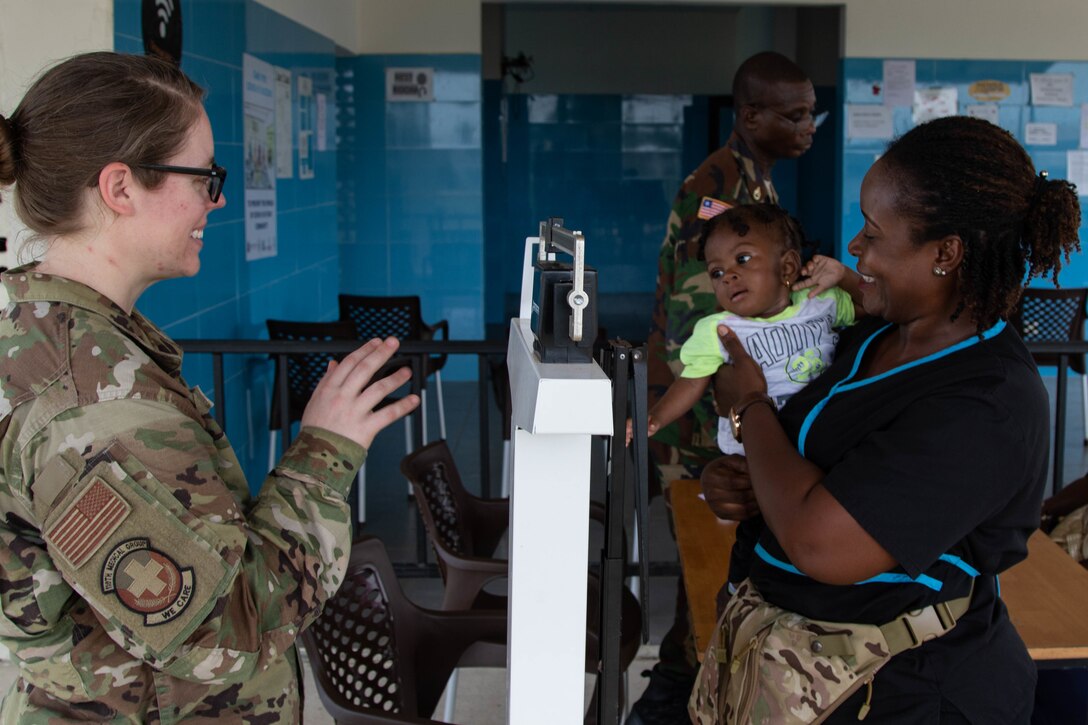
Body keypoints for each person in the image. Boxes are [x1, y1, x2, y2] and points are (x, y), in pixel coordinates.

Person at [0, 52, 420, 721]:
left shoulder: (36, 328)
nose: (216, 199)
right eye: (203, 176)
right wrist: (324, 452)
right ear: (120, 188)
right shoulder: (96, 406)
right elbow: (230, 629)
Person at [697, 115, 1080, 723]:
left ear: (945, 253)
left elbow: (823, 544)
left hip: (905, 694)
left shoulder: (988, 402)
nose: (854, 247)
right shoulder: (875, 335)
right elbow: (812, 467)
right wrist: (749, 483)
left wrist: (750, 408)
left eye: (873, 233)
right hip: (795, 671)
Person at [633, 50, 818, 725]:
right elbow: (704, 322)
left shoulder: (753, 184)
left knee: (717, 564)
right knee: (705, 561)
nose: (809, 126)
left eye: (810, 113)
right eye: (794, 114)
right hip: (701, 412)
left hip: (733, 408)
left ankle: (686, 684)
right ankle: (673, 697)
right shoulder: (717, 186)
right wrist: (740, 417)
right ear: (751, 116)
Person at [639, 204, 858, 454]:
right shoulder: (717, 329)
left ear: (787, 267)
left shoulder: (821, 300)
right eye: (716, 272)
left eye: (742, 259)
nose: (727, 277)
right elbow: (690, 383)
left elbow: (874, 309)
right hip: (755, 450)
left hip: (822, 436)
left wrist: (843, 275)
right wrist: (655, 418)